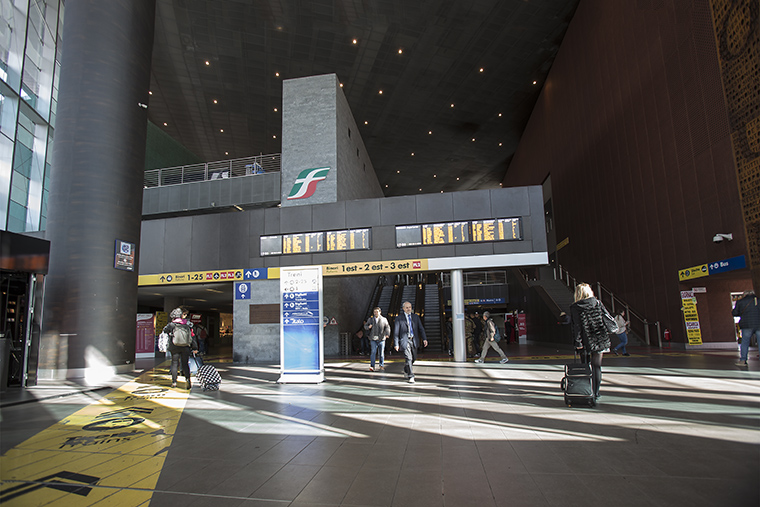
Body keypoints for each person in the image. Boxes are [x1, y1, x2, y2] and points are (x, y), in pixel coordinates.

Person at [570, 283, 612, 401]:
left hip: (585, 339)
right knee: (597, 366)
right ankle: (596, 392)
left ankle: (586, 390)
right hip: (599, 338)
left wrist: (578, 342)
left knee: (585, 366)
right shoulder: (597, 303)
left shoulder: (575, 307)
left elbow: (577, 326)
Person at [163, 307, 199, 389]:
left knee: (174, 363)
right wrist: (195, 347)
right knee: (185, 364)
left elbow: (165, 331)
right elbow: (193, 337)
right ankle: (187, 380)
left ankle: (174, 382)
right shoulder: (188, 324)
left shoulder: (172, 324)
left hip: (174, 346)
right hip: (185, 347)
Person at [393, 301, 428, 383]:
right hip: (405, 340)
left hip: (414, 340)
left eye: (410, 307)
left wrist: (424, 339)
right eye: (407, 307)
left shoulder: (415, 317)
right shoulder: (399, 318)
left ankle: (406, 369)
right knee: (408, 358)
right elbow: (396, 332)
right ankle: (411, 375)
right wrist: (396, 344)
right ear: (403, 309)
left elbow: (421, 329)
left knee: (414, 358)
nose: (409, 309)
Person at [732, 290, 759, 366]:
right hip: (759, 324)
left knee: (745, 342)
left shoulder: (741, 302)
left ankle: (743, 360)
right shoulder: (758, 300)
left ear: (745, 295)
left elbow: (734, 313)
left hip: (747, 324)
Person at [365, 307, 390, 371]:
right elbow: (365, 326)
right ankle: (372, 366)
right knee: (373, 352)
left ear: (380, 312)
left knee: (381, 353)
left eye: (377, 312)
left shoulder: (384, 319)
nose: (375, 313)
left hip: (381, 338)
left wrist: (387, 334)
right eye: (374, 312)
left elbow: (387, 327)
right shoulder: (370, 319)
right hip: (373, 338)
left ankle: (381, 365)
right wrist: (368, 327)